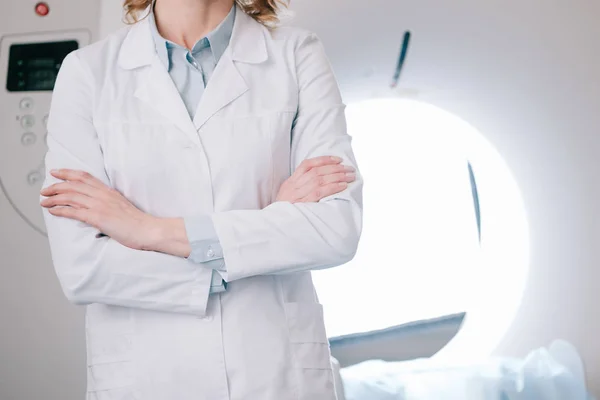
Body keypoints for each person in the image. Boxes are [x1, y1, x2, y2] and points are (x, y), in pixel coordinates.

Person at [39, 0, 363, 399]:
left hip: (272, 371)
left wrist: (148, 231)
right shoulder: (87, 71)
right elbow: (82, 268)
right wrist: (268, 228)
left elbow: (334, 230)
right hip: (146, 375)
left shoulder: (296, 54)